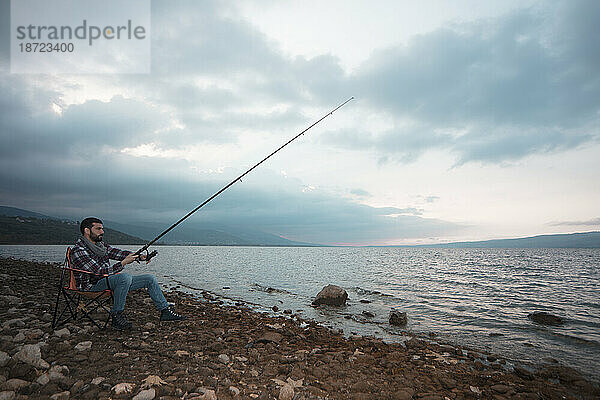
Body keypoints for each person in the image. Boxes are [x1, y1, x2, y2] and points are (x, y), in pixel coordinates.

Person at [71, 217, 186, 330]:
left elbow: (118, 253)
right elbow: (97, 273)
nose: (102, 231)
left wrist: (140, 257)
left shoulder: (101, 246)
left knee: (149, 278)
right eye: (98, 229)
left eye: (102, 228)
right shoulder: (79, 251)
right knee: (124, 277)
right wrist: (123, 263)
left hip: (107, 281)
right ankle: (117, 315)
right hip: (91, 286)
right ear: (87, 231)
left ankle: (165, 311)